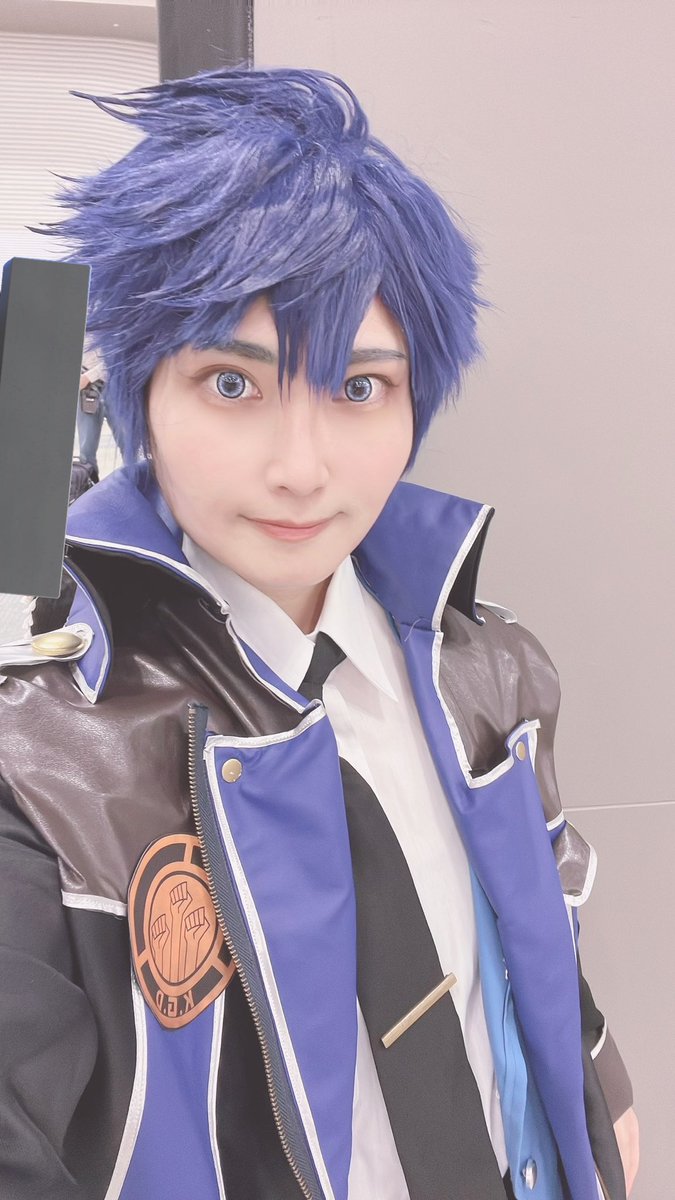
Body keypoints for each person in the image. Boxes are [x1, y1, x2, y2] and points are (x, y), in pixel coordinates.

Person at [0, 67, 638, 1200]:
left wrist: (605, 1115)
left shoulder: (489, 668)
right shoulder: (39, 748)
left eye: (356, 388)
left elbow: (540, 963)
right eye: (231, 385)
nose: (301, 468)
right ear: (141, 399)